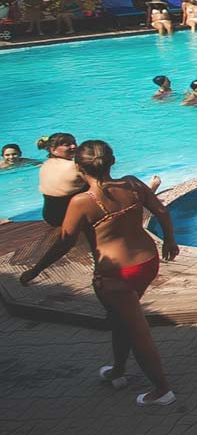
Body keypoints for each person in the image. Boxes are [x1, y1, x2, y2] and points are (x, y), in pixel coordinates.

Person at [19, 140, 180, 406]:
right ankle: (118, 371)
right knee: (120, 319)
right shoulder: (132, 184)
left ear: (79, 168)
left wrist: (36, 270)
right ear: (112, 161)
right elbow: (161, 210)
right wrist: (170, 240)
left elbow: (64, 242)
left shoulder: (82, 201)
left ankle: (162, 390)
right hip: (147, 262)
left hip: (116, 275)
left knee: (137, 331)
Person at [36, 132, 86, 227]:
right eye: (67, 145)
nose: (73, 146)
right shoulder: (74, 166)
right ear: (53, 150)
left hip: (49, 217)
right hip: (68, 217)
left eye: (74, 143)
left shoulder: (44, 165)